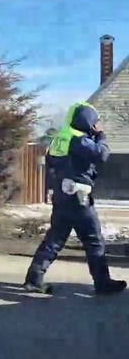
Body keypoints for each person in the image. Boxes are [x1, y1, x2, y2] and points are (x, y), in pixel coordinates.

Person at [24, 102, 127, 295]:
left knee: (54, 239)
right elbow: (101, 154)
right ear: (86, 120)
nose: (97, 124)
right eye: (94, 121)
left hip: (62, 195)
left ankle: (34, 278)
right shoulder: (79, 140)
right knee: (94, 240)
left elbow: (52, 162)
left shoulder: (59, 138)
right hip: (79, 197)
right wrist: (100, 135)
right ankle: (103, 284)